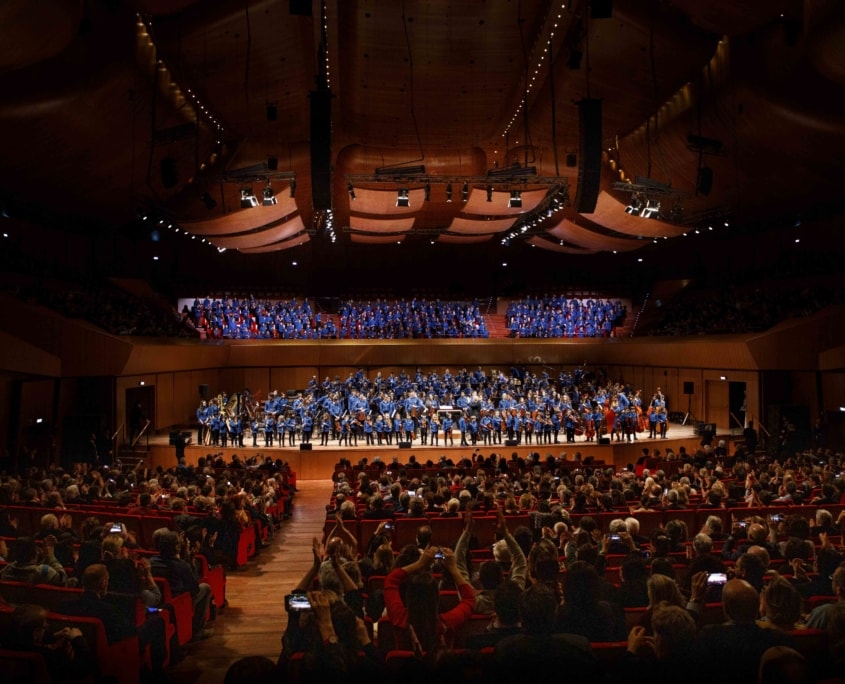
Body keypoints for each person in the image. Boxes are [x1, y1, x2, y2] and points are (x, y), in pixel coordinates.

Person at [382, 545, 475, 653]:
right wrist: (453, 568)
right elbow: (469, 599)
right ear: (437, 598)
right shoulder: (446, 624)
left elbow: (391, 579)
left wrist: (420, 564)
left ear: (408, 596)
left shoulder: (399, 617)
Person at [1, 603, 97, 684]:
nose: (47, 627)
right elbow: (82, 671)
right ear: (35, 633)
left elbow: (30, 643)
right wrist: (78, 639)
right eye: (44, 627)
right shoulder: (48, 656)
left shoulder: (6, 643)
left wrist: (53, 636)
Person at [149, 529, 214, 642]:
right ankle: (197, 631)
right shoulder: (181, 565)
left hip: (156, 603)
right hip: (177, 603)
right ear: (177, 548)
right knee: (205, 588)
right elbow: (194, 588)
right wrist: (191, 561)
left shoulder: (150, 562)